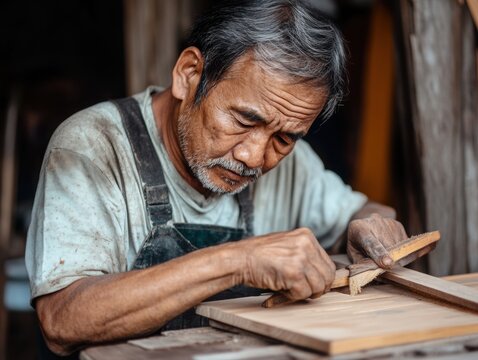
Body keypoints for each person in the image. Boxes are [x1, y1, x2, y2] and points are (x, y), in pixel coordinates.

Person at [26, 0, 411, 356]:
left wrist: (370, 224)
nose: (253, 157)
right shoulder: (92, 147)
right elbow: (62, 321)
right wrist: (238, 261)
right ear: (188, 74)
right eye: (244, 121)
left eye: (283, 138)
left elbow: (359, 210)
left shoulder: (292, 160)